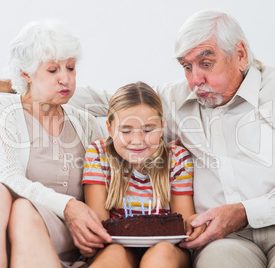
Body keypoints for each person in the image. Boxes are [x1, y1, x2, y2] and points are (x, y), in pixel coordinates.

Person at [0, 8, 275, 268]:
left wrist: (243, 212)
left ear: (240, 55)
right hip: (226, 241)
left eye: (206, 63)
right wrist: (17, 85)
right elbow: (118, 104)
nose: (195, 80)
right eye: (186, 67)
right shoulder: (176, 98)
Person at [0, 19, 112, 267]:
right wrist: (68, 204)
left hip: (56, 233)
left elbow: (131, 106)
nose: (65, 80)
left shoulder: (86, 123)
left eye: (70, 68)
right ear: (25, 73)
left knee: (24, 212)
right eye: (52, 70)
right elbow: (7, 176)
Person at [81, 81, 203, 267]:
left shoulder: (177, 159)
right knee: (113, 255)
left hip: (168, 246)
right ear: (110, 128)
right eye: (126, 130)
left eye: (148, 130)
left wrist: (194, 224)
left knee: (160, 254)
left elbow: (183, 220)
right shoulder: (98, 154)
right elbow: (101, 224)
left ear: (162, 126)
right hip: (114, 244)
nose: (137, 141)